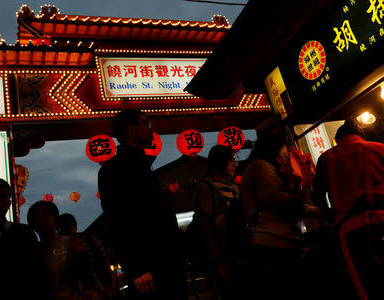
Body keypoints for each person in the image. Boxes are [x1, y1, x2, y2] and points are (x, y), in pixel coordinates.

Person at [98, 109, 186, 299]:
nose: (151, 130)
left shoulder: (141, 165)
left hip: (166, 262)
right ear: (131, 129)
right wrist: (137, 268)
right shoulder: (114, 170)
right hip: (150, 270)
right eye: (146, 123)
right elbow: (118, 220)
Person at [312, 119, 384, 299]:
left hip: (348, 231)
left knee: (365, 282)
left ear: (338, 139)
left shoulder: (325, 158)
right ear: (360, 136)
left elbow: (318, 198)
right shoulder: (378, 148)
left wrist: (332, 218)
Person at [240, 133, 308, 299]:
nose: (286, 158)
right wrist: (306, 206)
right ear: (274, 151)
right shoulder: (260, 166)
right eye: (285, 154)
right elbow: (273, 198)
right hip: (273, 242)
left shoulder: (263, 168)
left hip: (273, 241)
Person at [191, 144, 247, 299]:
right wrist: (218, 261)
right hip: (222, 254)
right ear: (219, 162)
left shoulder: (234, 186)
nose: (234, 164)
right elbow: (207, 227)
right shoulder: (204, 187)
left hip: (240, 250)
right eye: (231, 161)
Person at [27, 201, 102, 300]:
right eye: (38, 216)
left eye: (46, 213)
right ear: (33, 224)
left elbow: (89, 275)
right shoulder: (33, 252)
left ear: (54, 217)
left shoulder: (72, 243)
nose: (43, 218)